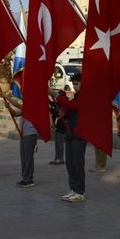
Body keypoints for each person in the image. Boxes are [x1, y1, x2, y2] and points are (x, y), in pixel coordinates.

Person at [50, 73, 86, 202]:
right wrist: (63, 112)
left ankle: (80, 192)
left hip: (79, 134)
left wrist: (57, 96)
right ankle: (73, 189)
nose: (74, 87)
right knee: (70, 163)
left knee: (77, 163)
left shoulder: (85, 97)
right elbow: (69, 110)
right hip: (70, 133)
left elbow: (73, 107)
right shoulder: (75, 97)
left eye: (77, 84)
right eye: (74, 84)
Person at [6, 95, 38, 188]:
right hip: (24, 135)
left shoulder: (33, 106)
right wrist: (9, 107)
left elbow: (18, 105)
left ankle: (29, 179)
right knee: (24, 157)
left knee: (28, 158)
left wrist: (7, 97)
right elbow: (16, 113)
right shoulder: (26, 108)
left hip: (30, 134)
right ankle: (25, 177)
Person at [48, 98, 65, 165]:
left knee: (60, 144)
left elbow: (55, 111)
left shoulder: (62, 107)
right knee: (57, 144)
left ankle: (60, 159)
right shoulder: (57, 107)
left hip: (61, 129)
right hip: (57, 129)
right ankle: (57, 158)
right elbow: (52, 104)